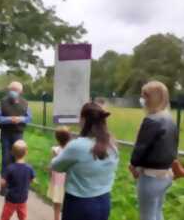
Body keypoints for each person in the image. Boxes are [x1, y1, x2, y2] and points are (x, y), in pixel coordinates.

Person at [51, 102, 119, 220]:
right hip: (103, 201)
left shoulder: (77, 146)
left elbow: (56, 166)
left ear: (83, 120)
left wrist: (58, 154)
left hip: (79, 204)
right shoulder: (112, 146)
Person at [129, 81, 178, 220]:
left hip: (150, 177)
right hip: (166, 175)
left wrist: (133, 165)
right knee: (157, 212)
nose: (142, 99)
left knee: (147, 216)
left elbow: (140, 149)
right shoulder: (170, 118)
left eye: (145, 96)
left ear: (152, 98)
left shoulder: (151, 120)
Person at [0, 82, 32, 190]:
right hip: (5, 134)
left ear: (20, 91)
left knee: (18, 159)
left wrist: (21, 119)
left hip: (18, 134)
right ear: (8, 90)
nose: (13, 91)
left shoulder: (25, 103)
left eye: (16, 90)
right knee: (6, 158)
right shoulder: (2, 102)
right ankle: (4, 186)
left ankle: (16, 184)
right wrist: (10, 119)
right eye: (12, 89)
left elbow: (29, 118)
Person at [0, 140, 35, 220]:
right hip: (23, 198)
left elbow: (3, 183)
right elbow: (32, 180)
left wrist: (3, 184)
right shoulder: (29, 168)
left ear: (12, 153)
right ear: (26, 152)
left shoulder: (10, 168)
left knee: (5, 217)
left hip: (11, 199)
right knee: (22, 217)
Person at [47, 126, 71, 220]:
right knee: (67, 202)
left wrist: (50, 174)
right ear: (69, 138)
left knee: (57, 203)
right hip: (67, 181)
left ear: (57, 138)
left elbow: (51, 165)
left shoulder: (55, 150)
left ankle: (56, 218)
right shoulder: (70, 151)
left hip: (56, 181)